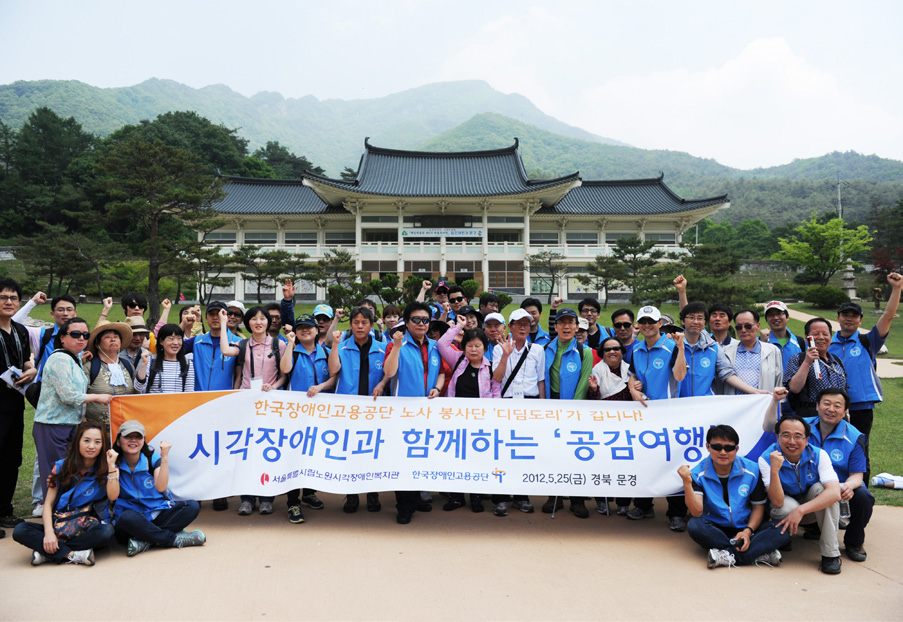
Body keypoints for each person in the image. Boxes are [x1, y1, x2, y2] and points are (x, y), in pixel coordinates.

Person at [679, 423, 790, 568]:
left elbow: (758, 508)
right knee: (695, 525)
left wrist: (747, 532)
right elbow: (696, 511)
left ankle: (727, 555)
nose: (723, 452)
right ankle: (757, 553)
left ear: (737, 449)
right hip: (716, 528)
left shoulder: (752, 469)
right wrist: (687, 484)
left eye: (729, 448)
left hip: (747, 527)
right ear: (708, 447)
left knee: (785, 528)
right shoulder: (696, 473)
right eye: (717, 447)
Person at [12, 421, 116, 566]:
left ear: (103, 445)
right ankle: (72, 554)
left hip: (85, 527)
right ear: (78, 442)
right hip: (59, 525)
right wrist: (49, 533)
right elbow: (47, 504)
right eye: (86, 440)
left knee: (106, 533)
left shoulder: (106, 469)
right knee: (20, 530)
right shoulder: (61, 466)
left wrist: (111, 467)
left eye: (97, 442)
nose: (91, 446)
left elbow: (113, 496)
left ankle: (48, 553)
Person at [33, 317, 113, 501]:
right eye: (75, 334)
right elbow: (68, 395)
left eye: (85, 335)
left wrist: (80, 357)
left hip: (68, 425)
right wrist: (97, 397)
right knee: (55, 473)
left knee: (67, 472)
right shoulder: (60, 358)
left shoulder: (72, 358)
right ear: (62, 337)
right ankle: (52, 518)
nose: (81, 338)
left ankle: (62, 515)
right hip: (52, 425)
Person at [12, 291, 77, 518]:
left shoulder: (79, 335)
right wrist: (31, 303)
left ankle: (68, 496)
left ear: (75, 313)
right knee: (44, 454)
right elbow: (12, 323)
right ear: (52, 313)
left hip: (73, 402)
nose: (65, 313)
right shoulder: (43, 334)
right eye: (60, 309)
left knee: (71, 450)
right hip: (47, 403)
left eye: (69, 309)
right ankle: (41, 499)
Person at [382, 302, 447, 524]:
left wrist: (437, 388)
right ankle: (404, 506)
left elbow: (442, 373)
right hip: (403, 414)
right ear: (407, 323)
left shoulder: (435, 346)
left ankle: (416, 497)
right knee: (403, 459)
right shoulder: (396, 344)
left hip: (428, 413)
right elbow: (389, 372)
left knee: (421, 456)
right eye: (416, 320)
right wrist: (398, 346)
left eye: (425, 320)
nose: (421, 324)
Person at [220, 307, 288, 516]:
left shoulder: (279, 344)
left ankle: (267, 498)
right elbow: (225, 350)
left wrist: (273, 387)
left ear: (268, 322)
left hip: (270, 404)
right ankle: (247, 499)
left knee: (268, 450)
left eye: (262, 319)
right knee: (247, 451)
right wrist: (223, 323)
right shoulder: (242, 344)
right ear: (247, 323)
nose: (258, 322)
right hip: (247, 403)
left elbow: (285, 374)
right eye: (254, 319)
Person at [625, 306, 687, 527]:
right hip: (644, 415)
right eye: (643, 321)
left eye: (651, 321)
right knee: (645, 461)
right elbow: (632, 376)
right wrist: (633, 390)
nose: (647, 325)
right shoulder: (637, 349)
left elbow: (679, 376)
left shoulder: (672, 347)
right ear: (638, 326)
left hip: (668, 415)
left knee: (673, 462)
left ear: (660, 323)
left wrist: (680, 349)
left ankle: (676, 512)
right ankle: (643, 505)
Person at [760, 415, 843, 574]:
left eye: (798, 436)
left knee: (823, 490)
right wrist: (774, 470)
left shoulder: (819, 454)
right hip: (785, 509)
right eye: (786, 436)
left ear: (806, 439)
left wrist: (801, 510)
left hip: (808, 509)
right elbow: (777, 502)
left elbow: (834, 493)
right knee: (786, 506)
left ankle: (830, 555)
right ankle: (784, 538)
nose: (792, 441)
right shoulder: (766, 458)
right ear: (777, 438)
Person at [110, 420, 205, 557]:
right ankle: (172, 539)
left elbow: (161, 487)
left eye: (138, 437)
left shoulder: (151, 458)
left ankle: (145, 541)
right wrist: (111, 467)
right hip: (131, 522)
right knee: (127, 517)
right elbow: (112, 496)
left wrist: (164, 457)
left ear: (143, 441)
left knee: (192, 506)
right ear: (118, 441)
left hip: (156, 514)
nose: (133, 441)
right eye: (128, 437)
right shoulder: (114, 462)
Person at [438, 316, 502, 513]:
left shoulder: (490, 367)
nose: (473, 349)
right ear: (463, 347)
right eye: (470, 346)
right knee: (456, 459)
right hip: (456, 421)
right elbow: (442, 343)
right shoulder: (458, 361)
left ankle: (476, 497)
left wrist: (492, 419)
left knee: (477, 460)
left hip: (480, 423)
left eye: (478, 345)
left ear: (484, 348)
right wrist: (459, 326)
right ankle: (456, 497)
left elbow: (496, 393)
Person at [328, 306, 389, 513]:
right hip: (349, 411)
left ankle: (372, 494)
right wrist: (335, 345)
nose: (360, 326)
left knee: (373, 453)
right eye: (356, 322)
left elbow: (390, 372)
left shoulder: (383, 347)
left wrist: (381, 384)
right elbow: (333, 370)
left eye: (364, 322)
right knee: (350, 453)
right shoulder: (342, 347)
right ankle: (351, 495)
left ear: (371, 326)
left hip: (375, 411)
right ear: (351, 325)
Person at [829, 272, 902, 438]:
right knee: (833, 448)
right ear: (838, 318)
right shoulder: (828, 345)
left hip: (861, 405)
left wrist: (897, 288)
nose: (849, 319)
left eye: (854, 316)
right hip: (832, 406)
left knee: (860, 450)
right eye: (845, 315)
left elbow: (888, 316)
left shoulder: (868, 341)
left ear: (860, 320)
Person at [804, 388, 873, 563]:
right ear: (817, 406)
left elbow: (857, 475)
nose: (831, 409)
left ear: (845, 411)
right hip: (808, 484)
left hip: (840, 486)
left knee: (864, 497)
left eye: (837, 406)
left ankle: (854, 542)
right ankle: (813, 527)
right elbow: (769, 427)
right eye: (826, 403)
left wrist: (848, 486)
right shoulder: (801, 427)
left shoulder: (855, 436)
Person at [541, 308, 593, 518]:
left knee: (574, 454)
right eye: (562, 322)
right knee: (552, 453)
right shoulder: (543, 349)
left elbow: (583, 382)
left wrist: (573, 409)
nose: (566, 327)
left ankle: (577, 499)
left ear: (577, 326)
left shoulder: (585, 351)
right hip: (550, 405)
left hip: (574, 408)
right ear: (555, 326)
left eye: (571, 323)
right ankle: (554, 496)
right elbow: (541, 378)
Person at [0, 278, 37, 532]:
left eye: (13, 298)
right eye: (3, 297)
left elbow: (25, 362)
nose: (9, 302)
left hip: (14, 403)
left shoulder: (20, 331)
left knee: (12, 458)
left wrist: (32, 370)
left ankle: (4, 511)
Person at [587, 336, 636, 517]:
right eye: (608, 349)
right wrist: (593, 389)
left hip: (628, 426)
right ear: (602, 354)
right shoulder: (596, 371)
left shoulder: (631, 370)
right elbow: (592, 403)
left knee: (625, 464)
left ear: (622, 351)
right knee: (602, 463)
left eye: (616, 348)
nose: (612, 352)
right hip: (604, 427)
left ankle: (624, 503)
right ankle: (602, 501)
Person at [676, 302, 760, 398]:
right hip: (677, 403)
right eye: (691, 318)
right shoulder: (672, 345)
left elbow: (727, 373)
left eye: (700, 318)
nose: (695, 322)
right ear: (683, 321)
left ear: (704, 322)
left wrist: (755, 392)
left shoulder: (713, 348)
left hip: (705, 404)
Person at [83, 322, 147, 429]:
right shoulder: (89, 366)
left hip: (125, 428)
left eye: (116, 337)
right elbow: (79, 396)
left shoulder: (128, 365)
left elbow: (136, 393)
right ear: (97, 344)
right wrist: (84, 423)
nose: (113, 340)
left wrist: (144, 365)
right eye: (107, 337)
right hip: (96, 429)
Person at [784, 317, 847, 418]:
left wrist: (846, 413)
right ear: (807, 338)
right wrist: (807, 363)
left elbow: (844, 391)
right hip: (810, 415)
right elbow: (794, 388)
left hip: (836, 415)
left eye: (825, 334)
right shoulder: (798, 359)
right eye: (816, 334)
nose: (821, 337)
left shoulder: (837, 361)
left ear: (830, 337)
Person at [719, 309, 783, 396]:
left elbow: (778, 383)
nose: (743, 330)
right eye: (739, 327)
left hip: (763, 405)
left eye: (748, 326)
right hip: (734, 406)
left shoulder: (773, 351)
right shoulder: (725, 351)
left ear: (758, 326)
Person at [145, 324, 196, 394]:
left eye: (179, 339)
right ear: (161, 341)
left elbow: (189, 393)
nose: (175, 343)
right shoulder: (151, 361)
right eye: (171, 339)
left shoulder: (188, 364)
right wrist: (143, 365)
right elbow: (139, 388)